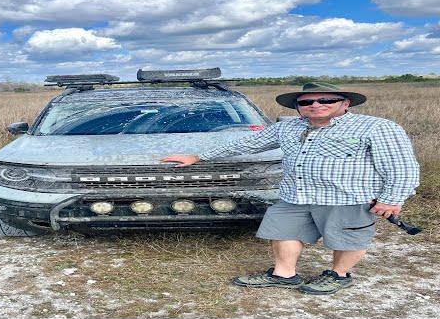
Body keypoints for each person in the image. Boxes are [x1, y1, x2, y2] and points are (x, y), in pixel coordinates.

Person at [160, 82, 420, 295]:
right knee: (282, 231)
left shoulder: (377, 127)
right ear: (298, 107)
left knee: (348, 237)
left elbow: (402, 166)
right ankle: (284, 275)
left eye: (325, 100)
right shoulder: (287, 127)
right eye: (306, 102)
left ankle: (338, 275)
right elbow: (247, 144)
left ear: (345, 103)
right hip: (294, 195)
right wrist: (199, 156)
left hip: (346, 198)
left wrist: (392, 198)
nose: (315, 105)